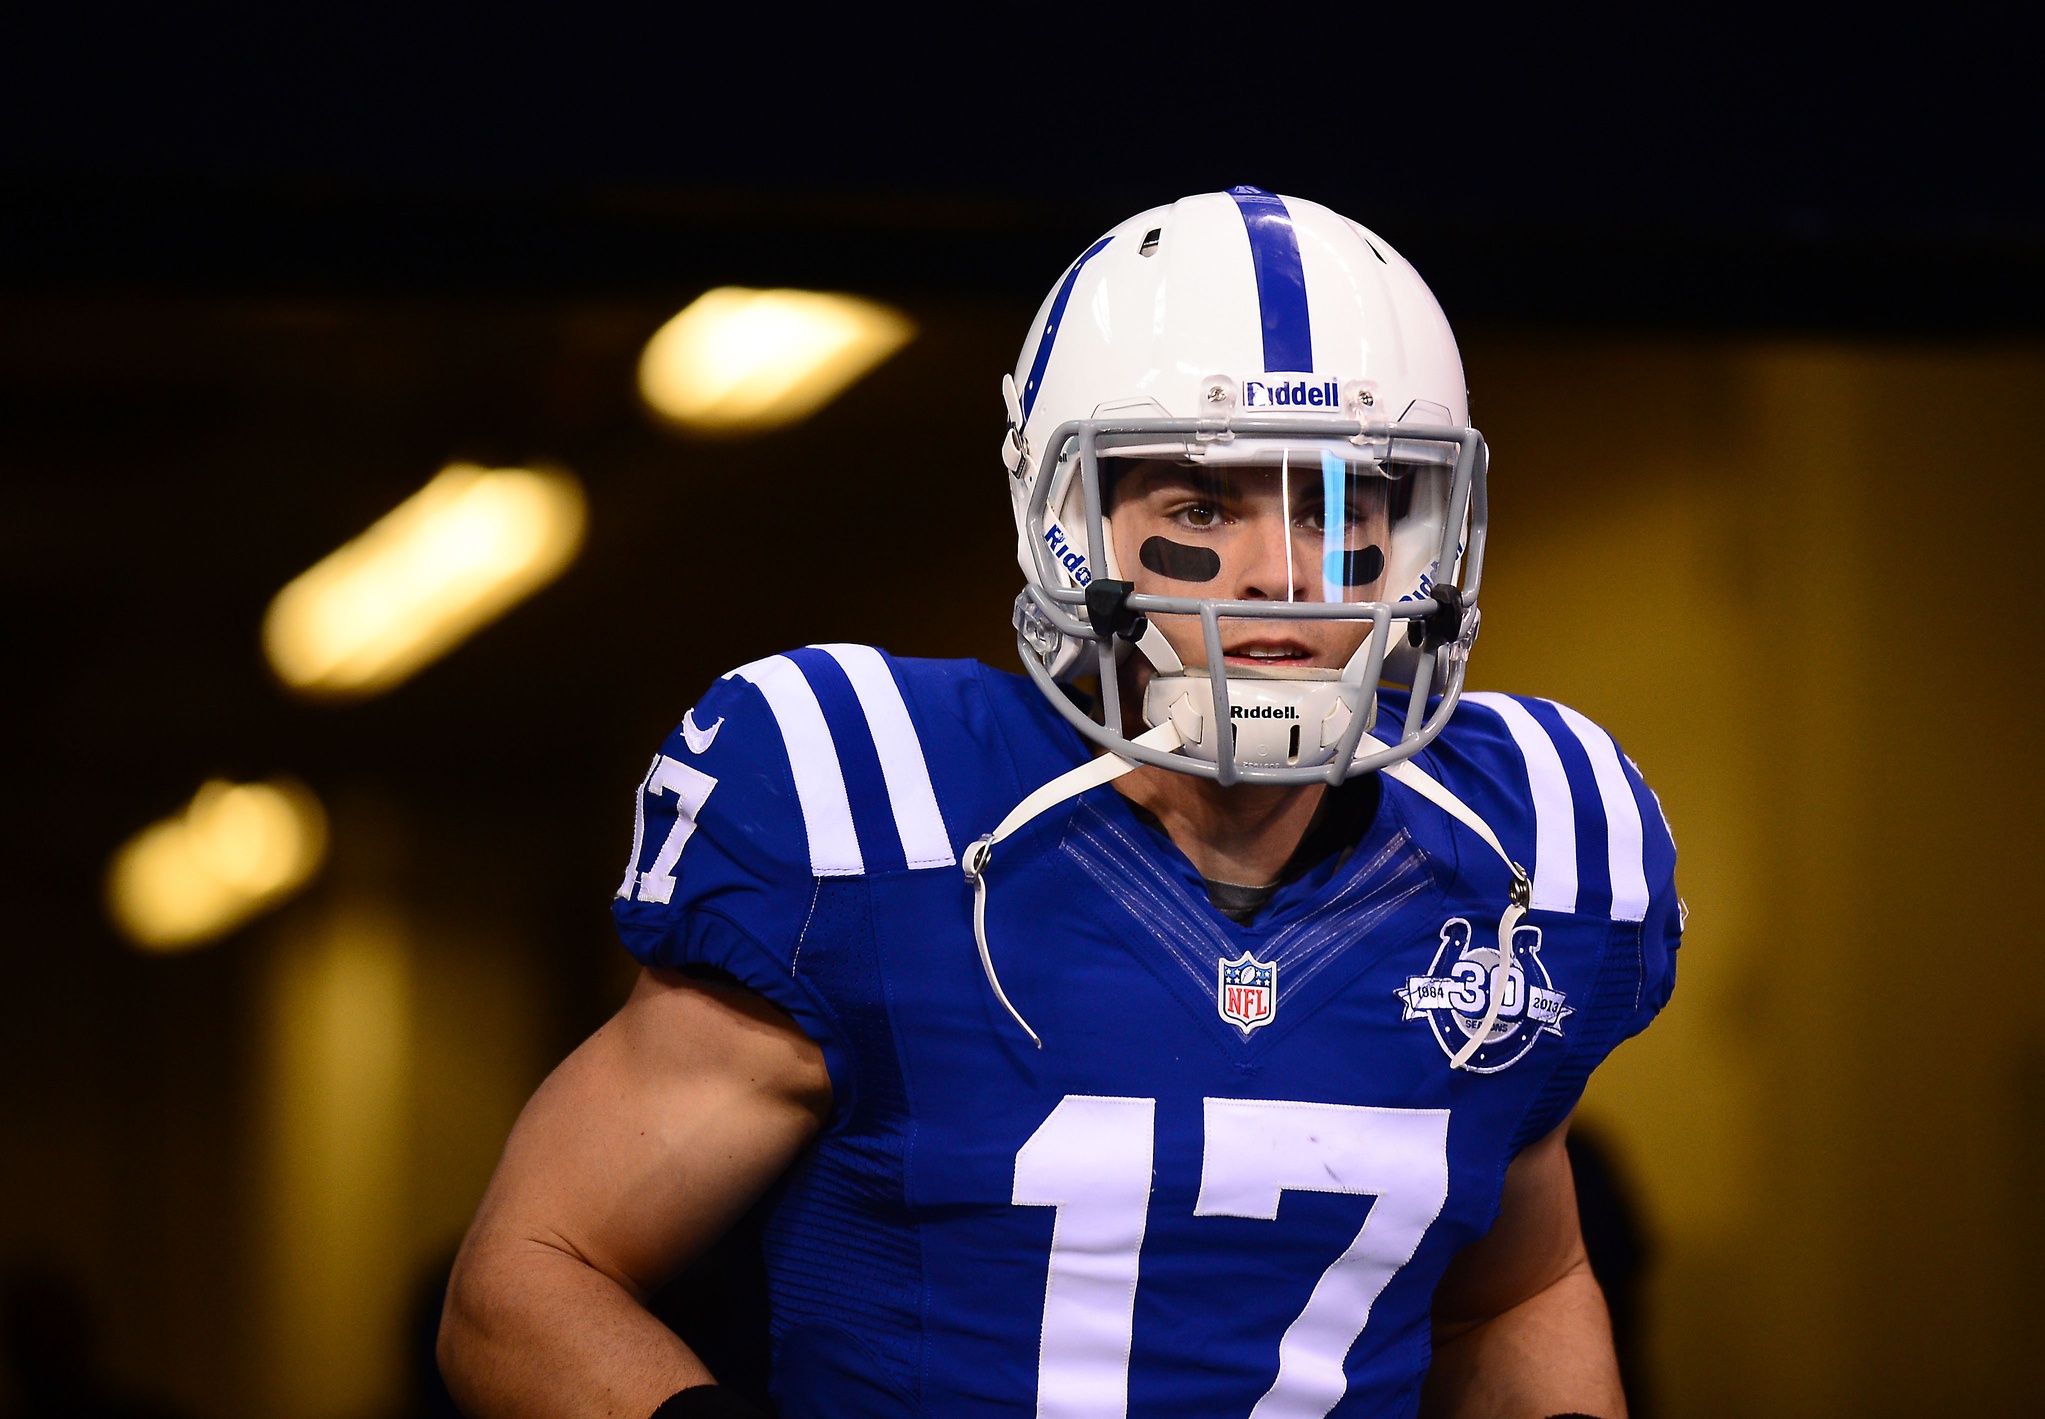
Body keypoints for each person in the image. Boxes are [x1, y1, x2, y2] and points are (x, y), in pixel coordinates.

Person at [440, 187, 1682, 1419]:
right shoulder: (875, 817)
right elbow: (530, 1279)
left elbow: (1512, 1292)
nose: (1278, 576)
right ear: (1065, 524)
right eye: (1201, 506)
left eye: (1341, 506)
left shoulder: (1527, 848)